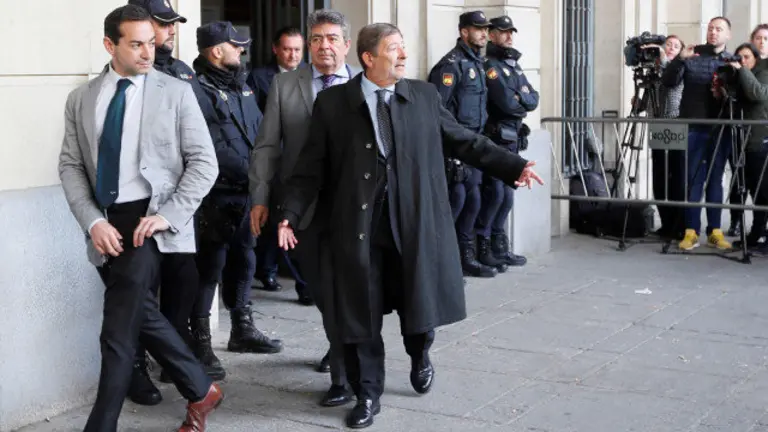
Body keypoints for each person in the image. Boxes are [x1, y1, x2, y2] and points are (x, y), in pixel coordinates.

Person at [275, 23, 543, 429]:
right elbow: (310, 168)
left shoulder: (423, 95)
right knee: (360, 313)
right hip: (357, 228)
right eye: (394, 49)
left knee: (417, 303)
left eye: (403, 48)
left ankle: (420, 355)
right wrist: (289, 214)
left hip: (412, 224)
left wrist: (515, 166)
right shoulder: (333, 104)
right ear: (368, 58)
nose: (403, 56)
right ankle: (368, 395)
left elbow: (463, 140)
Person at [58, 5, 222, 431]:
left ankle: (101, 425)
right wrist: (92, 222)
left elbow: (204, 163)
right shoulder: (82, 98)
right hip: (105, 222)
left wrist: (169, 215)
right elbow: (71, 166)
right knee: (137, 315)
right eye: (136, 44)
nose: (149, 52)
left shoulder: (176, 91)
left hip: (148, 220)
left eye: (152, 42)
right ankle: (201, 389)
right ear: (110, 44)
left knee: (116, 332)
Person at [248, 9, 360, 408]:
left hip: (357, 209)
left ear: (347, 45)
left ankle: (345, 370)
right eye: (316, 39)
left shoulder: (365, 84)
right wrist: (260, 198)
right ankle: (340, 346)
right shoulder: (284, 85)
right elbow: (266, 146)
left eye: (331, 38)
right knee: (323, 289)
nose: (323, 46)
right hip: (303, 210)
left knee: (354, 288)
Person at [125, 0, 217, 404]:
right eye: (163, 25)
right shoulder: (127, 77)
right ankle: (135, 368)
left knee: (183, 284)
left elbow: (200, 139)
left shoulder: (180, 73)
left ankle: (173, 358)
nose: (170, 31)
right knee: (137, 295)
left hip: (177, 207)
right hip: (134, 208)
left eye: (171, 25)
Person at [191, 21, 283, 375]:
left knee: (244, 261)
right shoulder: (194, 91)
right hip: (213, 197)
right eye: (236, 46)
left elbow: (259, 134)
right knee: (208, 268)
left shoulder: (242, 87)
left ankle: (242, 329)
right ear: (216, 51)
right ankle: (199, 342)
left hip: (246, 195)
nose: (242, 52)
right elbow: (205, 147)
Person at [428, 11, 502, 277]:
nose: (483, 33)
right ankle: (446, 261)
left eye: (485, 29)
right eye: (477, 29)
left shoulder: (477, 63)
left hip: (476, 143)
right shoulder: (450, 66)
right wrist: (451, 152)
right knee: (457, 200)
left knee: (474, 199)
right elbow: (439, 111)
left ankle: (464, 257)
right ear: (463, 32)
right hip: (457, 147)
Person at [661, 16, 733, 251]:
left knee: (715, 180)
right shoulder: (692, 56)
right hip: (693, 127)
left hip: (720, 128)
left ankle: (715, 231)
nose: (714, 32)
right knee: (692, 179)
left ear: (727, 35)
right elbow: (669, 81)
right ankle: (691, 231)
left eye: (719, 29)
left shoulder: (731, 60)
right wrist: (680, 60)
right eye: (711, 28)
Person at [476, 15, 539, 268]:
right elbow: (506, 103)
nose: (509, 36)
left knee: (508, 195)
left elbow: (532, 99)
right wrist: (519, 98)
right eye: (503, 32)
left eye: (511, 31)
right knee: (495, 195)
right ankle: (484, 246)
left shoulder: (514, 66)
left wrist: (520, 98)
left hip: (513, 138)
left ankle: (500, 246)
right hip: (497, 137)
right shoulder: (491, 66)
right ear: (491, 35)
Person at [246, 26, 306, 293]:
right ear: (275, 49)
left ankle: (305, 284)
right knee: (271, 217)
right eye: (287, 49)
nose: (292, 55)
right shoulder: (260, 78)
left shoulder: (311, 75)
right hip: (272, 159)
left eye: (297, 50)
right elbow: (254, 121)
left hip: (301, 160)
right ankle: (267, 269)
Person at [727, 43, 768, 254]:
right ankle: (756, 233)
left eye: (746, 57)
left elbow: (757, 94)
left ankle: (759, 234)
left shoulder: (763, 73)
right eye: (739, 57)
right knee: (753, 189)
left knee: (763, 191)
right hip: (743, 141)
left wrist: (741, 70)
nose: (742, 61)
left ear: (755, 59)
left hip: (759, 141)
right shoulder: (744, 75)